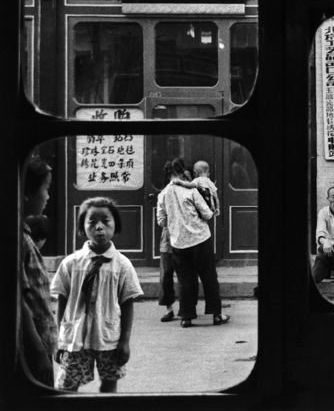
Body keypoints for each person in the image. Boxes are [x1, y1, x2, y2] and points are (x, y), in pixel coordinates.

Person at [51, 197, 143, 392]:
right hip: (75, 336)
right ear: (82, 226)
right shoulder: (71, 263)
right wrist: (61, 339)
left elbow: (127, 303)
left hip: (109, 336)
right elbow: (62, 300)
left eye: (105, 221)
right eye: (92, 221)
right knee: (67, 385)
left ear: (115, 224)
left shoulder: (123, 265)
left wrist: (125, 341)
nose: (99, 227)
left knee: (109, 383)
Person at [157, 158, 230, 328]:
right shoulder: (191, 191)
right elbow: (207, 214)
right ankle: (216, 315)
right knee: (209, 277)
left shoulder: (163, 194)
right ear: (183, 172)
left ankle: (186, 317)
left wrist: (176, 222)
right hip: (200, 240)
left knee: (185, 280)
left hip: (178, 243)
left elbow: (161, 221)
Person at [20, 157, 58, 386]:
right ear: (27, 193)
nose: (48, 196)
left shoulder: (24, 234)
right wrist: (37, 350)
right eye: (45, 189)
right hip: (31, 346)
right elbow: (18, 299)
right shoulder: (19, 239)